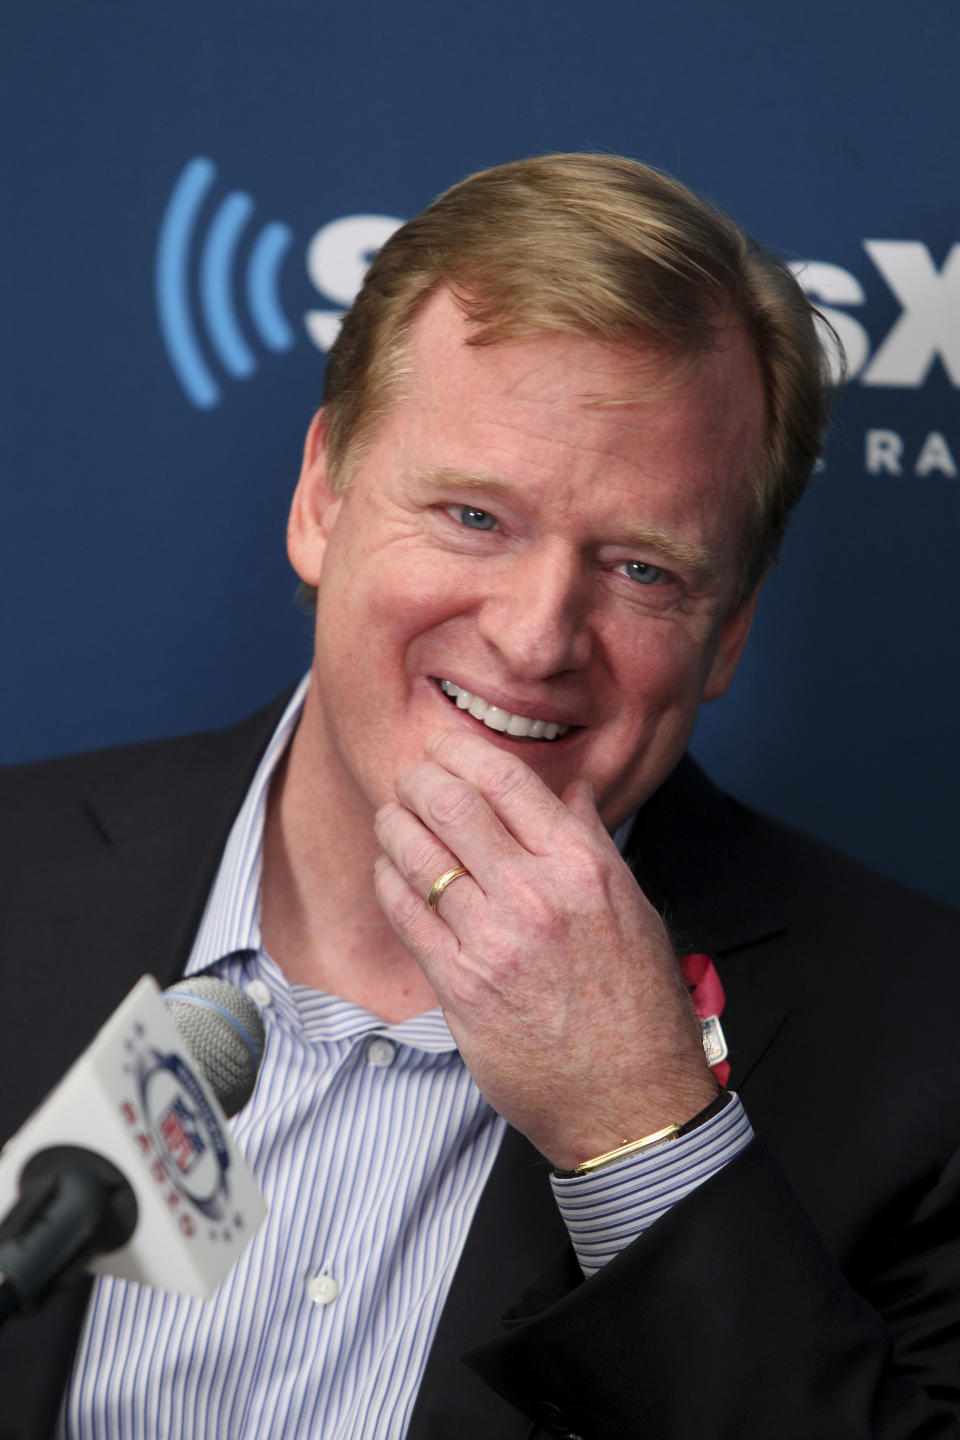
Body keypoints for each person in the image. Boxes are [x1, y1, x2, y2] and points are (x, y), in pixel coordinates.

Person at [2, 153, 959, 1439]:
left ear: (728, 630)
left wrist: (642, 1130)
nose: (534, 636)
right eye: (472, 516)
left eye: (640, 569)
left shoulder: (922, 1045)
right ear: (322, 496)